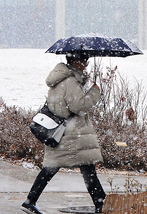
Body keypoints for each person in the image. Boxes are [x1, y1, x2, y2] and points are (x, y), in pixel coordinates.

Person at [22, 51, 106, 214]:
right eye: (85, 61)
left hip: (60, 131)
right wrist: (95, 92)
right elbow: (78, 107)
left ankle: (30, 201)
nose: (86, 65)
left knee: (53, 167)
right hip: (71, 134)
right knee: (87, 169)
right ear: (76, 62)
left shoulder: (58, 78)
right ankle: (100, 204)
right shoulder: (70, 81)